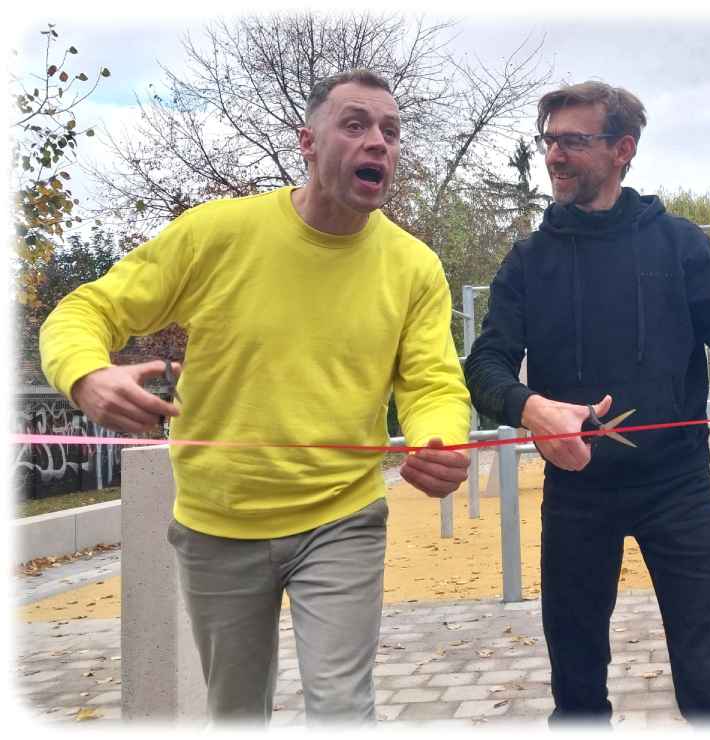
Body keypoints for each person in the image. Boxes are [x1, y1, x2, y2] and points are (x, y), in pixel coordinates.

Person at [40, 69, 471, 726]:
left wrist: (439, 437)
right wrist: (86, 376)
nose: (379, 142)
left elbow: (432, 382)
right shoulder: (215, 233)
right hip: (218, 524)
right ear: (307, 141)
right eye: (355, 124)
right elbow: (83, 310)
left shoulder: (413, 267)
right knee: (237, 715)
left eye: (391, 131)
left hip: (343, 518)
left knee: (342, 711)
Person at [463, 81, 710, 727]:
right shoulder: (530, 260)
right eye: (549, 140)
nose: (555, 155)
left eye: (573, 141)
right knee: (577, 690)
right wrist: (529, 407)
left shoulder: (678, 244)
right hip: (576, 489)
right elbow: (486, 365)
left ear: (623, 149)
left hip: (679, 486)